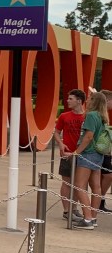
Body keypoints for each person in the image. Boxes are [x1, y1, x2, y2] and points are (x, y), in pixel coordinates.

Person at [72, 91, 110, 228]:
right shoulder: (102, 116)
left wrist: (76, 152)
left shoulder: (91, 115)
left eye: (90, 98)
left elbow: (88, 136)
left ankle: (87, 218)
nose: (87, 100)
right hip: (98, 154)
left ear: (94, 101)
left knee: (79, 185)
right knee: (96, 186)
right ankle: (93, 217)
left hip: (88, 153)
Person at [53, 89, 86, 222]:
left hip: (82, 155)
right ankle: (67, 210)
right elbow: (56, 132)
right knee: (66, 182)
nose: (67, 101)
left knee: (78, 183)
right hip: (67, 154)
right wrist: (60, 143)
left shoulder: (87, 117)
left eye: (71, 99)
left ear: (79, 101)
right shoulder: (64, 116)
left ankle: (74, 208)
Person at [99, 89, 112, 214]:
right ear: (107, 100)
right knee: (107, 176)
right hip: (100, 151)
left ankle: (100, 201)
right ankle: (99, 200)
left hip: (105, 150)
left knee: (104, 176)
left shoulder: (104, 114)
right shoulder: (99, 115)